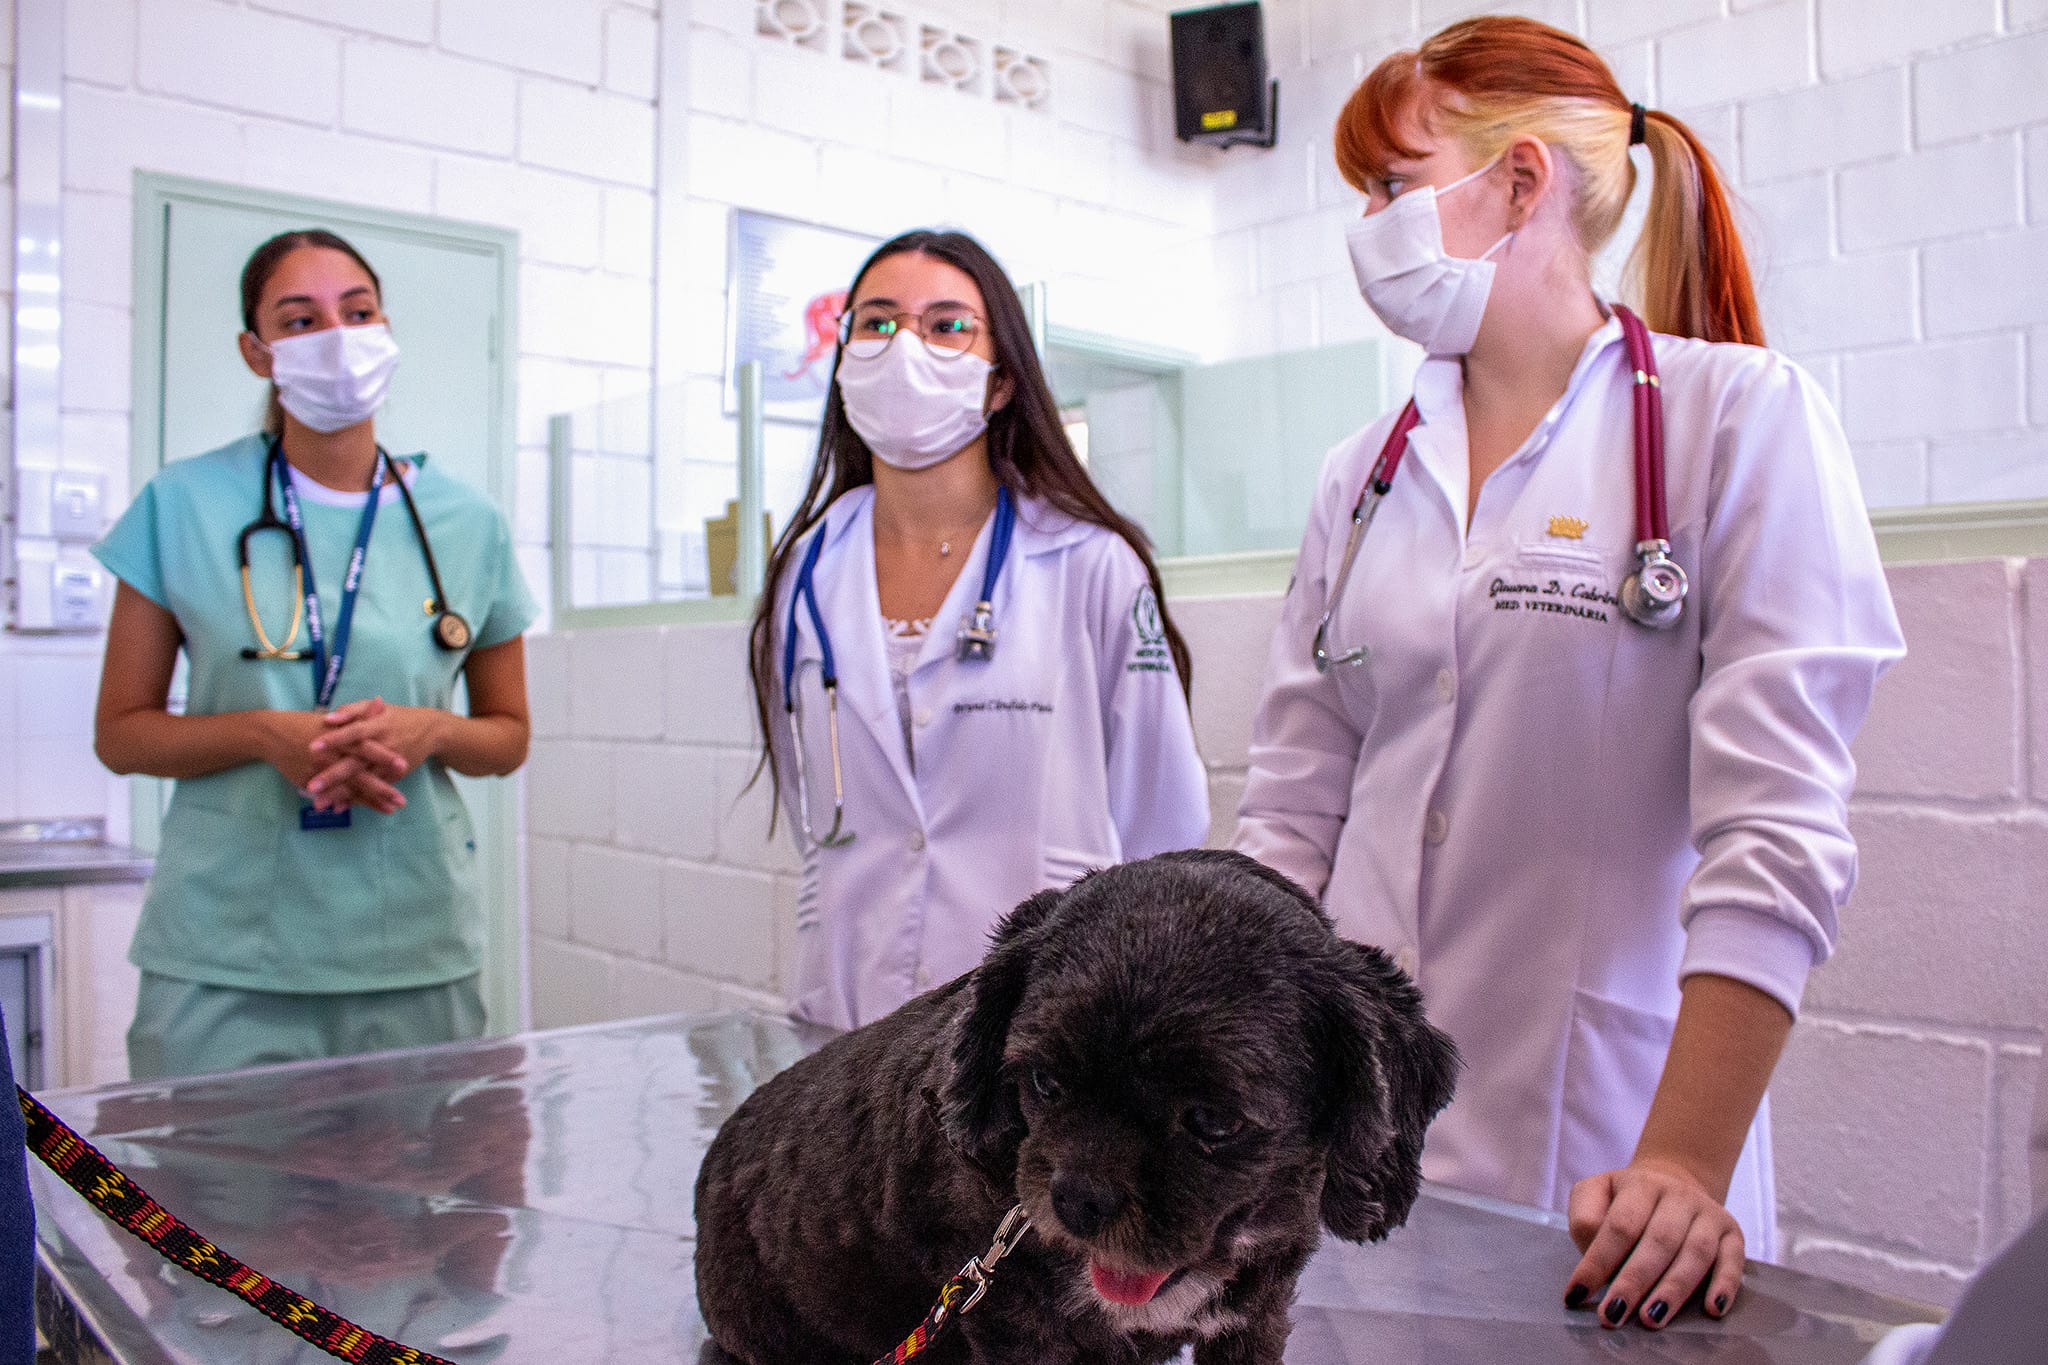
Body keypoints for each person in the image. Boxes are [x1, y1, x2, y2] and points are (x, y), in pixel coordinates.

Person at [1233, 16, 1903, 1331]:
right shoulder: (1361, 474)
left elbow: (1776, 831)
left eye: (1392, 183)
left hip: (1608, 1155)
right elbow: (1292, 809)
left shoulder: (1735, 419)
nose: (1365, 225)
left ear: (1521, 181)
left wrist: (1683, 1163)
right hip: (1344, 1142)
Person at [92, 229, 536, 1080]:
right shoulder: (181, 503)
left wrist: (433, 730)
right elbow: (121, 733)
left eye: (357, 312)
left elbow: (507, 736)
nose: (336, 337)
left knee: (423, 1170)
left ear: (386, 328)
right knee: (207, 1170)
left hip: (412, 945)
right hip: (225, 954)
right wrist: (265, 734)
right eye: (300, 320)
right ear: (257, 352)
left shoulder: (467, 522)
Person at [746, 228, 1209, 1031]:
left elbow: (1163, 821)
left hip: (1044, 1029)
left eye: (947, 325)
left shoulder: (1090, 564)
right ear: (844, 360)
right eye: (877, 322)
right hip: (851, 1021)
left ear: (1001, 383)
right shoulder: (805, 572)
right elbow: (810, 805)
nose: (905, 348)